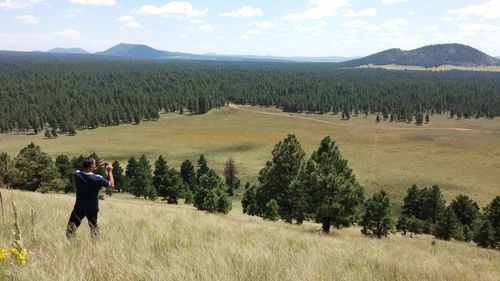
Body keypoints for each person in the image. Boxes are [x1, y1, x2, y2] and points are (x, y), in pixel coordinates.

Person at [66, 157, 114, 240]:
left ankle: (73, 244)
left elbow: (87, 172)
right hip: (92, 208)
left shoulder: (77, 175)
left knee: (70, 229)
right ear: (91, 166)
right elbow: (111, 184)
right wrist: (109, 171)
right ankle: (95, 245)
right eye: (94, 164)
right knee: (94, 229)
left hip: (79, 207)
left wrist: (97, 168)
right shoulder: (98, 178)